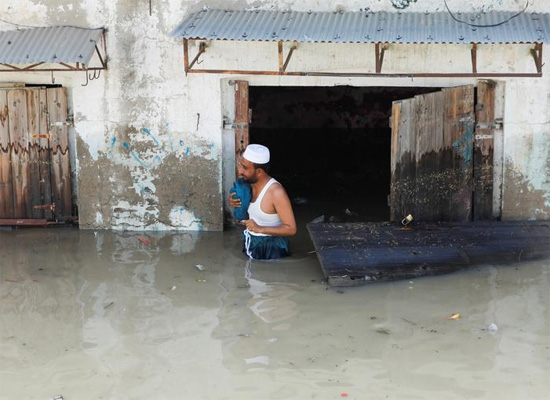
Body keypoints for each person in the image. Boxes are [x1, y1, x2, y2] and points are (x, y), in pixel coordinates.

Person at [229, 144, 297, 259]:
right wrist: (234, 202)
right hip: (251, 242)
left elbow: (291, 229)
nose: (240, 171)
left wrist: (260, 229)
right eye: (241, 165)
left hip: (273, 249)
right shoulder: (246, 186)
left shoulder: (276, 192)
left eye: (245, 168)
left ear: (259, 171)